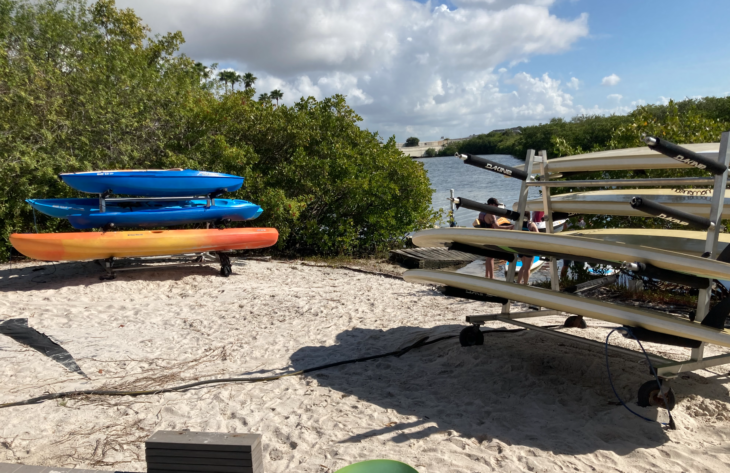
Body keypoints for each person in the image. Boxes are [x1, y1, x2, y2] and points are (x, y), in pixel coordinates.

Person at [473, 197, 514, 278]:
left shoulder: (482, 212)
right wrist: (510, 227)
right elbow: (497, 227)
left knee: (488, 257)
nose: (496, 207)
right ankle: (492, 276)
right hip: (491, 236)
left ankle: (487, 275)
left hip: (483, 235)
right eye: (495, 205)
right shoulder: (491, 214)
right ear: (491, 204)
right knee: (491, 258)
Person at [516, 211, 539, 284]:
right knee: (527, 268)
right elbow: (538, 235)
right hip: (529, 248)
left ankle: (519, 282)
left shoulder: (519, 225)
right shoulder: (531, 224)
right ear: (529, 216)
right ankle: (525, 284)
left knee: (523, 266)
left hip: (521, 248)